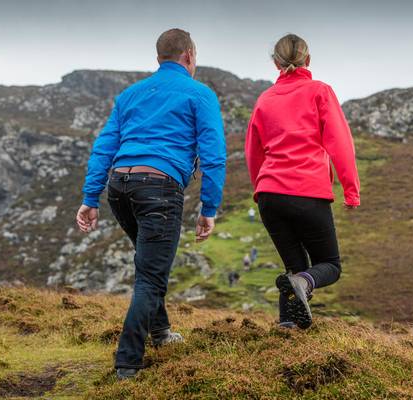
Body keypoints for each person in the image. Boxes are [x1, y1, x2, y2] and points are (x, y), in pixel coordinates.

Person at [76, 28, 226, 379]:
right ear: (189, 55)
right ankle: (127, 363)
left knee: (148, 265)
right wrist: (209, 208)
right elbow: (214, 156)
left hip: (119, 187)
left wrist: (90, 198)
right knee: (151, 278)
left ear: (159, 57)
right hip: (158, 188)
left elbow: (104, 148)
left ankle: (160, 333)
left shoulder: (129, 95)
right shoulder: (200, 94)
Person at [245, 34, 360, 330]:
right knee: (329, 266)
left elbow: (253, 151)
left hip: (270, 194)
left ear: (275, 62)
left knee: (294, 268)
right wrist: (351, 191)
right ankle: (303, 283)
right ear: (308, 60)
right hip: (307, 193)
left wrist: (260, 188)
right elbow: (340, 142)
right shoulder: (319, 91)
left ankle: (288, 328)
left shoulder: (265, 99)